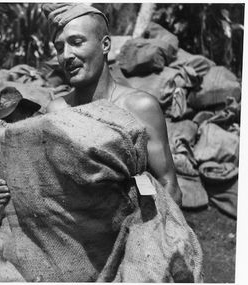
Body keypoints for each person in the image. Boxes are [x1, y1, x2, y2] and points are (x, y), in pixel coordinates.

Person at [43, 3, 182, 205]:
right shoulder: (57, 111)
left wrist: (145, 232)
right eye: (59, 47)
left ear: (105, 45)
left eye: (76, 42)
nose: (66, 55)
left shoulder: (139, 107)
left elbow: (169, 185)